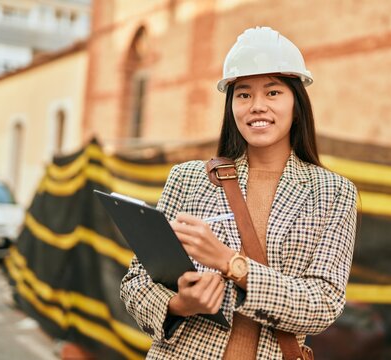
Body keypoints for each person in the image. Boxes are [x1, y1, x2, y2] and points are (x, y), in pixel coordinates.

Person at [120, 26, 357, 359]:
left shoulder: (333, 193)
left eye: (273, 93)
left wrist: (230, 263)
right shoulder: (188, 179)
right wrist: (178, 303)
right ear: (232, 105)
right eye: (244, 94)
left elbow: (323, 305)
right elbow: (136, 284)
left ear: (296, 103)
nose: (257, 106)